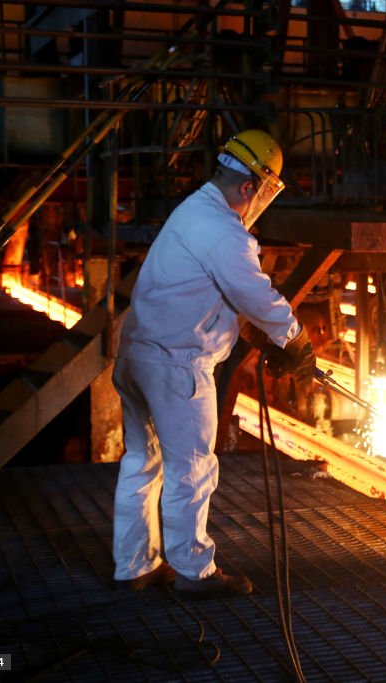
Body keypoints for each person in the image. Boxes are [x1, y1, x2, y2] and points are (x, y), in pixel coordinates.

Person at [111, 129, 315, 596]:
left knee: (142, 463)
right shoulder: (224, 231)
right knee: (192, 470)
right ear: (250, 187)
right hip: (176, 367)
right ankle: (193, 571)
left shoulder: (192, 211)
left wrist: (256, 340)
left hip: (138, 355)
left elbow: (207, 294)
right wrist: (294, 340)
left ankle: (134, 565)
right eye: (262, 193)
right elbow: (253, 294)